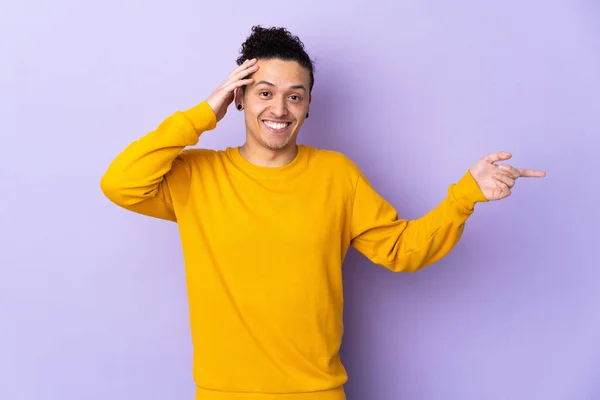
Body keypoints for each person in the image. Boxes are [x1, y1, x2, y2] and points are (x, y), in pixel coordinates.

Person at [100, 25, 545, 400]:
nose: (279, 108)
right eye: (264, 92)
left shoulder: (336, 175)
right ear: (238, 97)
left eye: (295, 96)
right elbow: (120, 182)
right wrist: (202, 112)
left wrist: (464, 196)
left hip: (318, 392)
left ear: (309, 106)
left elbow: (401, 249)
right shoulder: (197, 177)